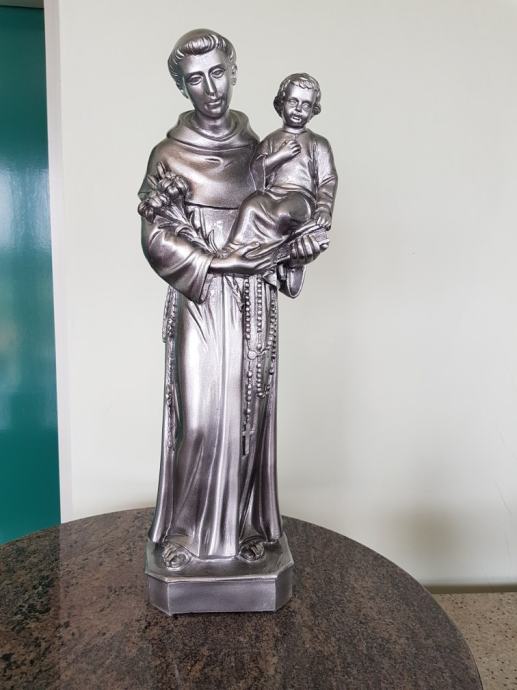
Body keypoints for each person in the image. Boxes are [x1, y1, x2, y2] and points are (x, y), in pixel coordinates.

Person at [139, 29, 326, 568]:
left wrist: (300, 248)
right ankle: (185, 532)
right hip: (200, 299)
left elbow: (289, 216)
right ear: (182, 87)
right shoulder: (169, 155)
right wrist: (221, 263)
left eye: (218, 72)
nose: (210, 88)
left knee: (249, 416)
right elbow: (155, 236)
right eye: (195, 79)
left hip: (252, 301)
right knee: (198, 417)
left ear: (234, 71)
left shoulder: (261, 151)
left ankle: (244, 526)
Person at [224, 73, 338, 263]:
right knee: (251, 206)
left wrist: (324, 209)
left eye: (306, 105)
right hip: (271, 194)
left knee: (283, 213)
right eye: (293, 101)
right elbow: (254, 173)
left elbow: (328, 180)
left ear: (313, 111)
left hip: (300, 198)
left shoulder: (318, 143)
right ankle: (234, 249)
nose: (298, 109)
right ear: (281, 103)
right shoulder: (271, 140)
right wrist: (280, 156)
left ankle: (267, 254)